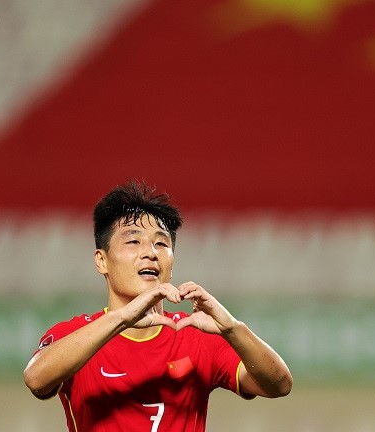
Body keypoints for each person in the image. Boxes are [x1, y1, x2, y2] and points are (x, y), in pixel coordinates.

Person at [23, 180, 293, 431]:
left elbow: (279, 385)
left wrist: (233, 328)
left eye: (161, 243)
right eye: (133, 241)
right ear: (102, 261)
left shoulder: (196, 334)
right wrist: (121, 318)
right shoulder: (74, 335)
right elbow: (36, 380)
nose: (151, 252)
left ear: (171, 265)